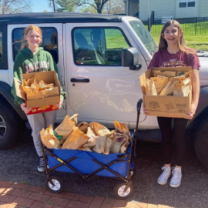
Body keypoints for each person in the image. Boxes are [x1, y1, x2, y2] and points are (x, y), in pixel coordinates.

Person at [146, 20, 200, 188]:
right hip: (163, 103)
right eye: (167, 31)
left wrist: (194, 105)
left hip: (182, 103)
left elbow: (195, 82)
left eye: (173, 31)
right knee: (166, 136)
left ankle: (178, 169)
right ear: (163, 35)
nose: (170, 34)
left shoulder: (190, 55)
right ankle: (167, 167)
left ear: (180, 33)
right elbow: (149, 79)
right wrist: (148, 103)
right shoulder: (158, 56)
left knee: (179, 136)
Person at [11, 25, 66, 172]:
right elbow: (17, 80)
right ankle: (42, 157)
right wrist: (21, 102)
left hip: (48, 98)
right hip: (31, 101)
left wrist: (60, 95)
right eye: (31, 36)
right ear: (26, 37)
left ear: (41, 39)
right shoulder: (21, 57)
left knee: (49, 129)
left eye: (37, 36)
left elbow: (55, 76)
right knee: (37, 130)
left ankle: (51, 154)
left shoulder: (47, 55)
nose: (34, 39)